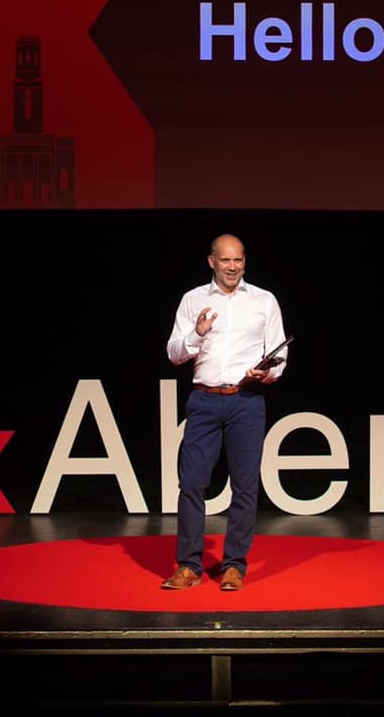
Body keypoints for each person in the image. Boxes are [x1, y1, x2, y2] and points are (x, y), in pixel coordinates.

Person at [162, 233, 288, 592]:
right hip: (203, 402)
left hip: (246, 400)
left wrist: (267, 373)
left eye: (238, 260)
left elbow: (280, 355)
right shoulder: (193, 300)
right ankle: (189, 566)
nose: (232, 267)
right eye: (225, 260)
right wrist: (196, 334)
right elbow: (174, 353)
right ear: (212, 262)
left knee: (245, 486)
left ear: (244, 261)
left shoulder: (264, 300)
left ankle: (234, 565)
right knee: (191, 483)